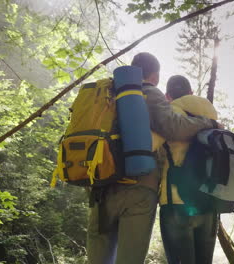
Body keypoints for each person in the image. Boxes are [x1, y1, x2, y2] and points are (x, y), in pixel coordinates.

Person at [86, 53, 220, 264]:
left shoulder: (107, 93)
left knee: (97, 259)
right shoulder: (149, 93)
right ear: (155, 76)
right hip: (139, 188)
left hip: (101, 187)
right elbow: (173, 128)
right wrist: (209, 124)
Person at [159, 75, 219, 264]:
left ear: (167, 96)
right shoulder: (210, 111)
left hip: (175, 201)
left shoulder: (169, 112)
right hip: (209, 200)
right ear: (191, 92)